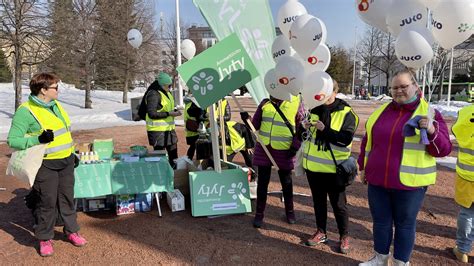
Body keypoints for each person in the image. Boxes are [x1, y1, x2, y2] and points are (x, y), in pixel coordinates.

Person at [358, 69, 452, 266]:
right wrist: (363, 166)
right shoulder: (380, 112)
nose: (398, 90)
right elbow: (368, 141)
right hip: (378, 180)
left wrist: (432, 130)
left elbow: (443, 149)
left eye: (403, 86)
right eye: (394, 87)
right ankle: (380, 259)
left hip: (410, 184)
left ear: (415, 87)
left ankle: (401, 262)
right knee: (381, 223)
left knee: (404, 225)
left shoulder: (430, 113)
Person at [7, 73, 86, 257]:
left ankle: (72, 231)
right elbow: (13, 140)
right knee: (47, 202)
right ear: (43, 90)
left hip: (66, 161)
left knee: (67, 198)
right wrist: (38, 139)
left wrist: (72, 153)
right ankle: (44, 238)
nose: (58, 90)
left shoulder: (55, 105)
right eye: (55, 87)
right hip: (45, 164)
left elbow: (64, 132)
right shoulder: (25, 111)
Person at [299, 80, 359, 254]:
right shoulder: (313, 110)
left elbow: (345, 139)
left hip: (334, 170)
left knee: (339, 205)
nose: (321, 95)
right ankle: (321, 232)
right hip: (313, 168)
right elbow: (303, 137)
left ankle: (344, 236)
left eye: (325, 91)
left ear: (334, 91)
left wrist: (324, 130)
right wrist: (301, 128)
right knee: (318, 203)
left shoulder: (347, 112)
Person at [241, 94, 304, 228]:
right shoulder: (265, 103)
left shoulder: (296, 103)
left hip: (285, 150)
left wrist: (295, 145)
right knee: (263, 182)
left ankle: (290, 211)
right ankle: (259, 214)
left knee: (286, 182)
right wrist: (247, 120)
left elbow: (302, 128)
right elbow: (255, 125)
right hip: (264, 148)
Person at [451, 104, 474, 263]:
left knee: (467, 212)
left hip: (467, 173)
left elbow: (455, 131)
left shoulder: (465, 112)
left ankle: (462, 250)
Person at [145, 72, 181, 169]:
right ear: (161, 84)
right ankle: (161, 180)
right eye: (168, 85)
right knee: (160, 159)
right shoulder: (153, 94)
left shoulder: (167, 93)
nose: (169, 88)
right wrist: (168, 114)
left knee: (174, 157)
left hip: (169, 130)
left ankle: (175, 177)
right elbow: (152, 114)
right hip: (158, 132)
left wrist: (175, 112)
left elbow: (167, 108)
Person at [183, 95, 204, 160]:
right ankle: (198, 163)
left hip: (190, 130)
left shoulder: (188, 104)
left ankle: (188, 160)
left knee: (192, 147)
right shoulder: (193, 105)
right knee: (198, 147)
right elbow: (199, 117)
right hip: (196, 129)